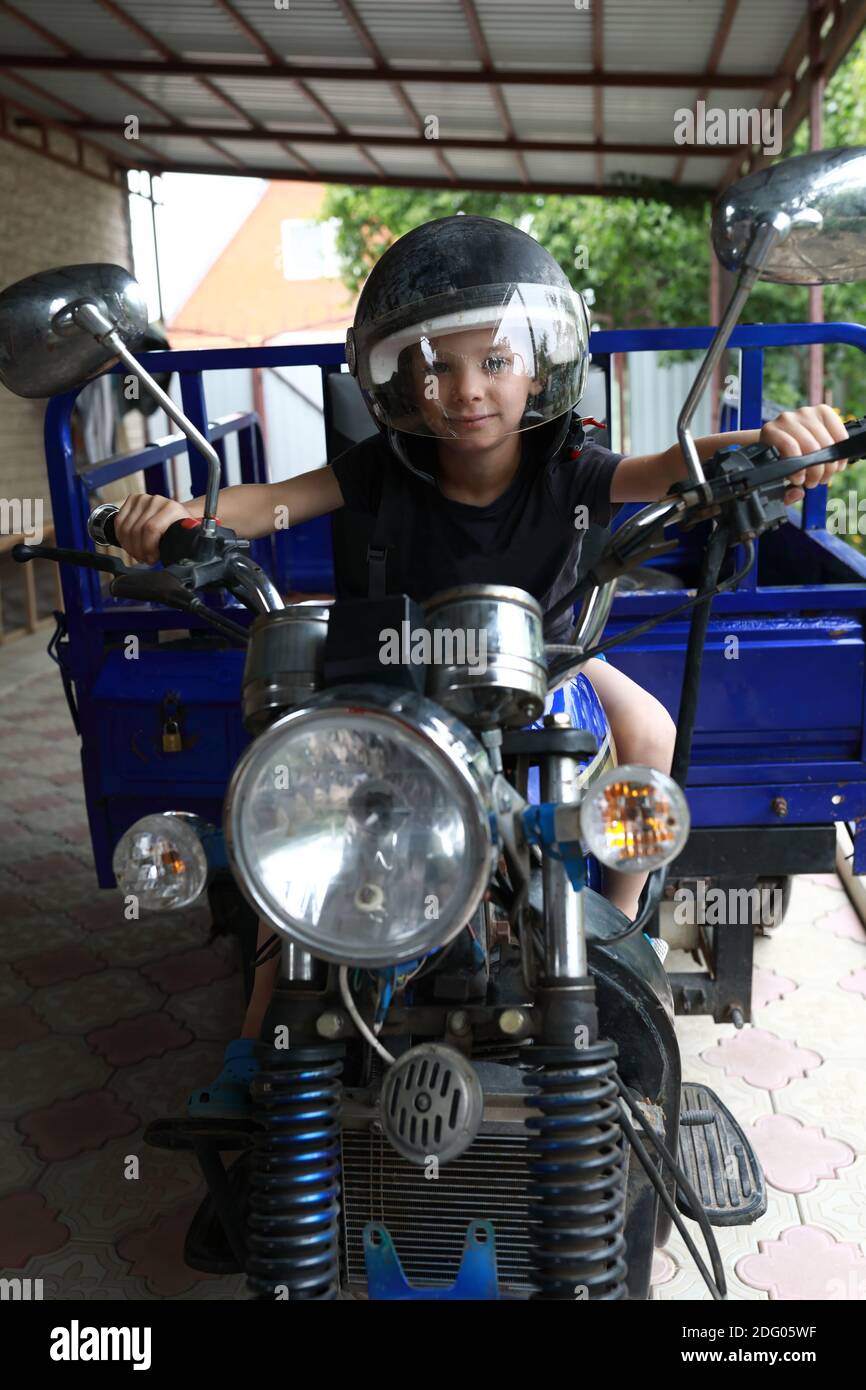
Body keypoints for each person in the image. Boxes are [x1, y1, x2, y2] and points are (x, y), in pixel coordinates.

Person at [112, 215, 848, 1113]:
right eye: (437, 367)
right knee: (292, 827)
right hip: (406, 685)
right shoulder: (380, 468)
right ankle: (255, 1036)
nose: (465, 390)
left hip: (544, 663)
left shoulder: (571, 465)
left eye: (493, 362)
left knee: (649, 729)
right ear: (405, 384)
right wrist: (173, 517)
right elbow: (267, 505)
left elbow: (672, 469)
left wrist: (772, 449)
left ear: (538, 370)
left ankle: (621, 933)